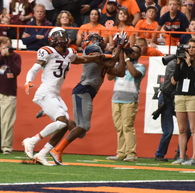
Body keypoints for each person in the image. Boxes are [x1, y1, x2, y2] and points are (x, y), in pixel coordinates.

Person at [22, 27, 113, 165]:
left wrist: (103, 56)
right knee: (62, 122)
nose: (61, 39)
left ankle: (42, 154)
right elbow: (35, 68)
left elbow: (83, 59)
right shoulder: (48, 51)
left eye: (63, 36)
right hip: (45, 91)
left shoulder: (70, 52)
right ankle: (32, 140)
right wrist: (28, 81)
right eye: (57, 37)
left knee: (65, 126)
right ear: (52, 39)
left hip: (55, 94)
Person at [48, 34, 126, 166]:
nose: (97, 42)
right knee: (84, 126)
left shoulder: (102, 58)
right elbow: (111, 62)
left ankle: (59, 117)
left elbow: (120, 72)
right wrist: (118, 47)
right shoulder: (91, 48)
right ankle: (57, 150)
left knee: (81, 132)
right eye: (95, 39)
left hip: (86, 92)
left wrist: (122, 51)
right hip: (83, 90)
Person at [106, 45, 146, 162]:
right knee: (119, 127)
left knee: (127, 127)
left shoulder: (140, 66)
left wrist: (126, 59)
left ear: (139, 55)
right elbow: (109, 77)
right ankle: (121, 153)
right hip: (116, 99)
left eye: (135, 52)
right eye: (130, 51)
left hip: (129, 100)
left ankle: (131, 154)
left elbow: (135, 75)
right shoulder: (120, 65)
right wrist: (117, 57)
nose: (132, 53)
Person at [171, 38, 195, 166]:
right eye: (189, 47)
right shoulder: (182, 62)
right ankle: (181, 156)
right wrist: (178, 63)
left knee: (193, 128)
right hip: (180, 95)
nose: (190, 49)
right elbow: (176, 78)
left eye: (193, 47)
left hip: (192, 96)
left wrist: (190, 63)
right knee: (181, 128)